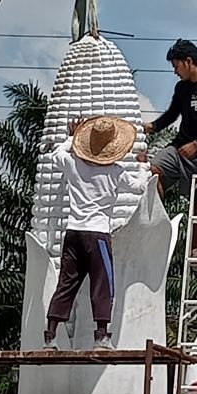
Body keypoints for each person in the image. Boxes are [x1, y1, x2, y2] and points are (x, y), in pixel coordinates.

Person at [44, 116, 148, 350]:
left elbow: (55, 155)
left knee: (66, 283)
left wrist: (71, 137)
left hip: (73, 232)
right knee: (103, 284)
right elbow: (139, 187)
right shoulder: (115, 172)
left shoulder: (73, 164)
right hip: (98, 234)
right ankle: (101, 336)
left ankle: (50, 335)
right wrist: (143, 165)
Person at [144, 39, 197, 259]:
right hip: (178, 150)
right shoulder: (181, 88)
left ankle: (196, 249)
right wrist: (152, 127)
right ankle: (158, 225)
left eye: (176, 65)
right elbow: (172, 114)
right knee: (152, 173)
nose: (175, 71)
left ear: (188, 62)